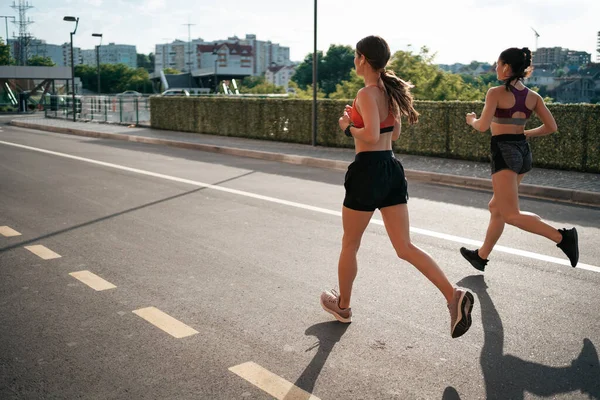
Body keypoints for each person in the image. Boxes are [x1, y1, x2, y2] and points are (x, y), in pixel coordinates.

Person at [320, 35, 474, 339]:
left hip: (367, 170)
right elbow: (394, 132)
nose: (354, 61)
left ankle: (344, 307)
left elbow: (371, 134)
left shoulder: (366, 92)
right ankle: (453, 295)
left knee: (350, 244)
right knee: (405, 247)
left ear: (364, 59)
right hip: (392, 167)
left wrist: (347, 125)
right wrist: (362, 122)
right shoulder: (389, 92)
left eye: (355, 56)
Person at [460, 47, 579, 271]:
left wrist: (471, 120)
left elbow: (483, 126)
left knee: (510, 214)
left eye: (497, 64)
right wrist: (525, 133)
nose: (495, 67)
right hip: (522, 153)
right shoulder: (533, 97)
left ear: (506, 67)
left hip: (504, 152)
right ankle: (481, 256)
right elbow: (551, 127)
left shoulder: (495, 93)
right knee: (496, 207)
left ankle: (563, 238)